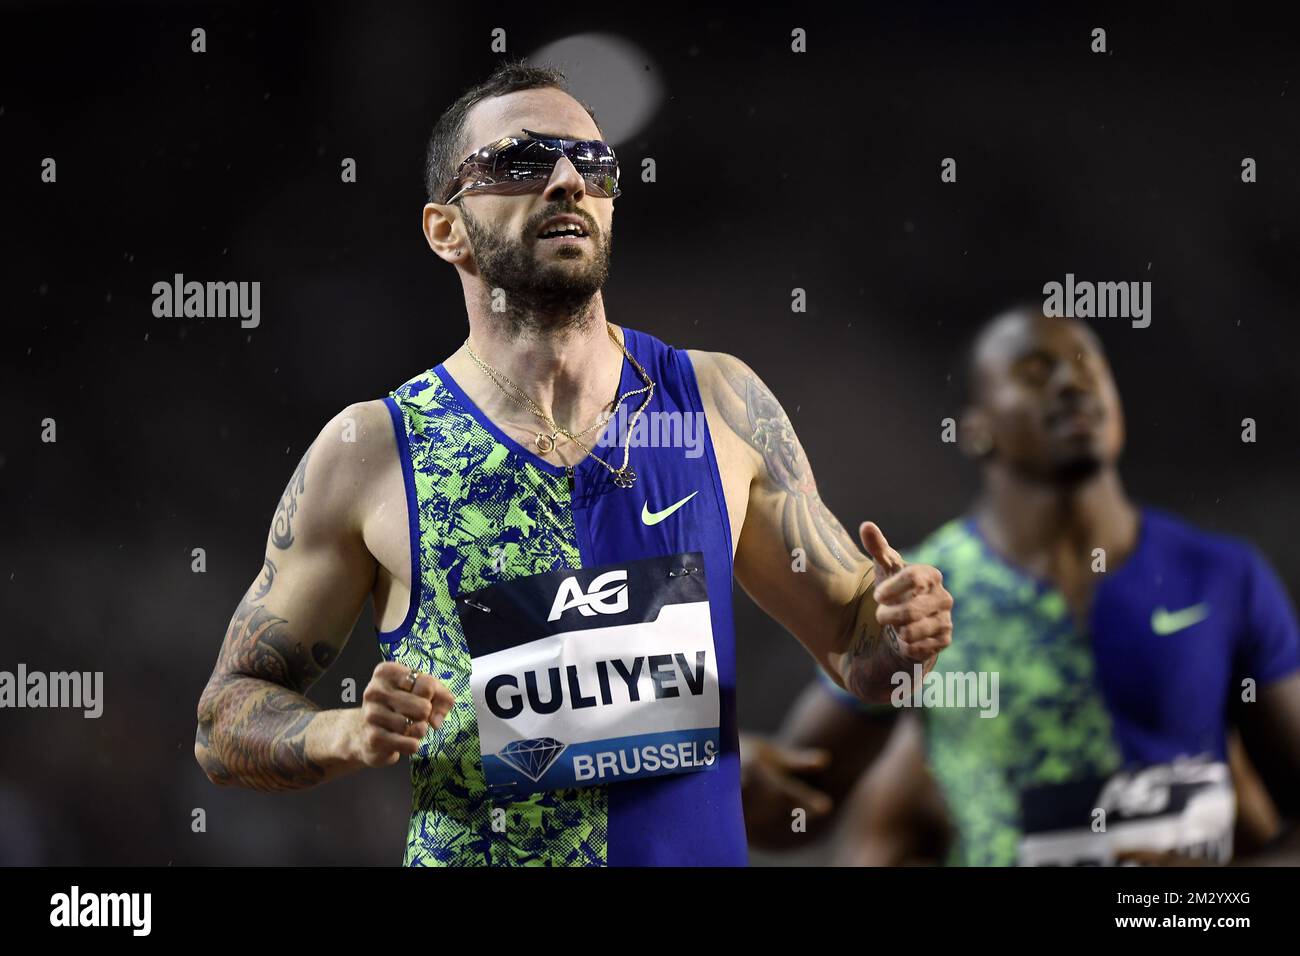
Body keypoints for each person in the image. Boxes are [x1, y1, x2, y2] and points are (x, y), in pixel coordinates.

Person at [192, 61, 953, 866]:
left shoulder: (720, 405)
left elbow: (857, 649)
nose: (566, 180)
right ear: (445, 229)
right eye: (521, 162)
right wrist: (343, 730)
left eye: (593, 163)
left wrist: (901, 636)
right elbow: (222, 721)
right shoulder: (371, 451)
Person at [743, 305, 1300, 865]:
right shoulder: (917, 595)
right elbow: (794, 809)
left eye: (1089, 367)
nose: (1072, 382)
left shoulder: (1223, 576)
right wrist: (719, 770)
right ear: (976, 428)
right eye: (1036, 371)